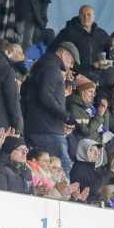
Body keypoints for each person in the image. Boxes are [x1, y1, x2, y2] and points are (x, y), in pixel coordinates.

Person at [22, 42, 78, 175]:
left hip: (38, 126)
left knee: (43, 172)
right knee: (63, 169)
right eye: (71, 60)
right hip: (48, 130)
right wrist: (65, 116)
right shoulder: (52, 68)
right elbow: (45, 95)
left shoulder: (41, 66)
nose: (71, 65)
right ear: (63, 53)